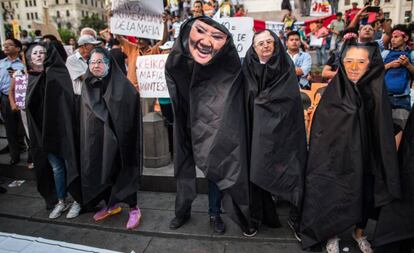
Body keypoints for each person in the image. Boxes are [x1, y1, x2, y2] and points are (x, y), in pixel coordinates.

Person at [300, 40, 401, 253]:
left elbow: (382, 126)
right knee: (335, 193)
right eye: (349, 61)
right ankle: (332, 234)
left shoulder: (377, 91)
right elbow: (322, 131)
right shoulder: (332, 93)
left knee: (366, 194)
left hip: (367, 157)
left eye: (361, 62)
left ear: (370, 64)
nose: (354, 67)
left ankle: (360, 233)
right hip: (337, 158)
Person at [165, 16, 252, 236]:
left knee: (215, 169)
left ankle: (215, 214)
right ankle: (182, 211)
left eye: (216, 36)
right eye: (201, 32)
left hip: (211, 126)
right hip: (186, 123)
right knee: (184, 167)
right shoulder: (180, 60)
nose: (206, 41)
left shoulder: (227, 66)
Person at [243, 29, 307, 238]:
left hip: (283, 127)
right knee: (255, 167)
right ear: (253, 48)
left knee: (291, 167)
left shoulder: (285, 63)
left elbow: (288, 96)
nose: (265, 46)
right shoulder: (248, 66)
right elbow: (244, 95)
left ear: (276, 44)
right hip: (255, 129)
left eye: (269, 41)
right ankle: (257, 215)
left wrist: (263, 105)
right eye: (260, 43)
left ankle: (295, 216)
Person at [80, 48, 143, 229]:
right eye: (92, 62)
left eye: (100, 62)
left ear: (109, 64)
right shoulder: (88, 84)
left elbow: (129, 107)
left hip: (121, 140)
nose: (96, 65)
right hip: (99, 140)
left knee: (124, 170)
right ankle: (111, 205)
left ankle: (134, 208)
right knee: (104, 170)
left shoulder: (122, 85)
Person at [25, 42, 79, 219]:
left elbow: (65, 100)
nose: (39, 55)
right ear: (29, 58)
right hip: (43, 133)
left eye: (42, 52)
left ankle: (78, 200)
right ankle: (61, 201)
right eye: (35, 53)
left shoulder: (57, 74)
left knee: (72, 165)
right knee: (57, 168)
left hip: (62, 130)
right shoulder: (31, 78)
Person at [382, 26, 414, 147]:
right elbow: (374, 72)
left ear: (405, 38)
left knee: (398, 137)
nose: (392, 40)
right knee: (381, 134)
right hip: (384, 99)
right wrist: (389, 65)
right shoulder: (385, 53)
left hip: (402, 101)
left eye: (396, 37)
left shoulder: (411, 54)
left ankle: (393, 165)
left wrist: (408, 65)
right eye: (392, 37)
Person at [0, 38, 26, 165]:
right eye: (4, 45)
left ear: (17, 48)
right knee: (9, 128)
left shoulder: (24, 63)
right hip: (5, 97)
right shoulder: (1, 64)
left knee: (25, 127)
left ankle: (31, 156)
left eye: (9, 45)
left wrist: (18, 75)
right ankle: (14, 155)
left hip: (22, 96)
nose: (6, 46)